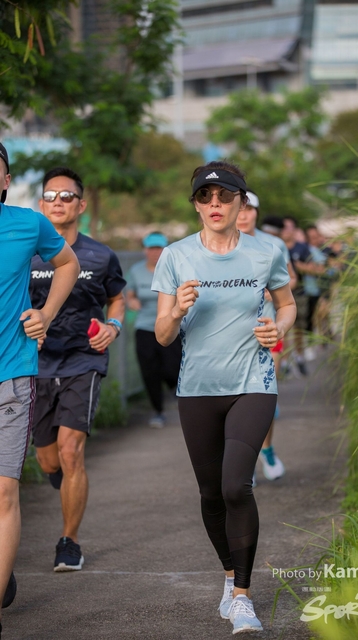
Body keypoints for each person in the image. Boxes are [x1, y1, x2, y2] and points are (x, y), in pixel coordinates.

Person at [152, 161, 296, 634]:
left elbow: (287, 303)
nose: (214, 204)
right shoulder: (175, 256)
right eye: (205, 196)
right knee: (211, 493)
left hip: (253, 381)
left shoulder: (266, 252)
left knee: (237, 485)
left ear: (241, 201)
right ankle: (230, 574)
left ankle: (243, 597)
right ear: (196, 204)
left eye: (224, 196)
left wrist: (279, 328)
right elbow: (163, 335)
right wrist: (177, 309)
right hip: (197, 388)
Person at [29, 167, 126, 572]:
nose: (58, 202)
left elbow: (117, 298)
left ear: (81, 205)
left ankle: (69, 541)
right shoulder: (26, 252)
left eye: (66, 196)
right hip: (35, 364)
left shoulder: (100, 255)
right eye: (51, 196)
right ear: (41, 204)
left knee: (71, 452)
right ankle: (62, 479)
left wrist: (112, 326)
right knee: (48, 461)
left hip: (83, 360)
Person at [0, 145, 80, 638]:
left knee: (4, 490)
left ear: (6, 181)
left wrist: (46, 314)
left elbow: (67, 263)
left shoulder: (28, 224)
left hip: (11, 373)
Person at [236, 192, 297, 483]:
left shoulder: (273, 245)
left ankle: (267, 450)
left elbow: (291, 278)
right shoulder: (219, 244)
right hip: (233, 335)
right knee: (235, 399)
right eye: (240, 209)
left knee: (264, 394)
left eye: (250, 209)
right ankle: (243, 459)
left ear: (257, 213)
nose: (244, 215)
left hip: (268, 330)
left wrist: (274, 291)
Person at [126, 232, 181, 427]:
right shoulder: (136, 271)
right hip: (145, 327)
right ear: (145, 250)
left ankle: (175, 389)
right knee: (149, 371)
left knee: (172, 367)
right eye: (151, 248)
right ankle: (158, 411)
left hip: (170, 327)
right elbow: (130, 295)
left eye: (159, 248)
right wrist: (132, 302)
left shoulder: (174, 269)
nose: (155, 252)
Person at [281, 216, 324, 375]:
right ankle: (284, 361)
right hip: (280, 292)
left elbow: (316, 269)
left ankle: (299, 356)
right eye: (284, 227)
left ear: (295, 230)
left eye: (290, 227)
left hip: (299, 293)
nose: (287, 231)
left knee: (298, 328)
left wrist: (301, 267)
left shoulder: (303, 248)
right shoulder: (275, 246)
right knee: (284, 328)